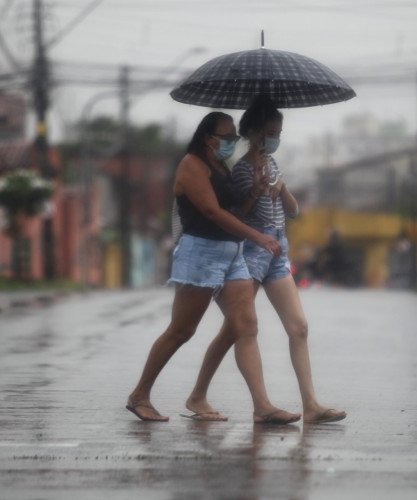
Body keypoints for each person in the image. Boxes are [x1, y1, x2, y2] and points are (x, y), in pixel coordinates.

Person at [126, 111, 301, 425]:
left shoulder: (221, 166)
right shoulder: (191, 165)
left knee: (246, 325)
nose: (232, 142)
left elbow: (237, 210)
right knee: (182, 331)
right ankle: (140, 394)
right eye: (226, 137)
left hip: (232, 255)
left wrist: (255, 190)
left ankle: (262, 405)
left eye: (235, 137)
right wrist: (257, 236)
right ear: (208, 138)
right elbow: (212, 212)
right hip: (201, 253)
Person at [185, 96, 347, 424]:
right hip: (252, 252)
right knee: (236, 329)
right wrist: (257, 189)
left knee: (299, 327)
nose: (275, 138)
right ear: (255, 134)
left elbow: (294, 210)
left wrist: (281, 186)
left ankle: (311, 404)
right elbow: (240, 215)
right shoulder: (243, 171)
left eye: (279, 132)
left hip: (278, 252)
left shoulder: (273, 165)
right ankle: (201, 394)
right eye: (271, 132)